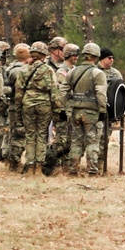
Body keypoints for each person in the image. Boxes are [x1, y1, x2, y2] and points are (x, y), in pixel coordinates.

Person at [15, 41, 63, 174]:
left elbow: (18, 92)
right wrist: (57, 111)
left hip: (28, 104)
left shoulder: (24, 70)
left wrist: (18, 110)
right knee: (42, 135)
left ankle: (30, 166)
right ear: (44, 55)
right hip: (44, 105)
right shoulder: (49, 70)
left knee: (30, 135)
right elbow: (54, 92)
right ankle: (39, 166)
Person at [64, 43, 108, 175]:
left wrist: (64, 108)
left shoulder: (72, 71)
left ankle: (73, 169)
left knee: (76, 141)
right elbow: (100, 94)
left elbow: (63, 91)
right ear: (96, 56)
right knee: (92, 141)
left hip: (76, 112)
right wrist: (103, 110)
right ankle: (93, 170)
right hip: (92, 113)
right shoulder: (98, 73)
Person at [46, 43, 81, 172]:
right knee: (61, 139)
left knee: (71, 140)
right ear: (67, 55)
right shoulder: (62, 71)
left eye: (77, 55)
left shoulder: (75, 70)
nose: (76, 57)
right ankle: (50, 161)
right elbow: (62, 91)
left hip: (73, 110)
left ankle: (66, 165)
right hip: (63, 110)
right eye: (73, 55)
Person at [2, 43, 31, 169]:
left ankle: (11, 160)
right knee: (19, 135)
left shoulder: (11, 68)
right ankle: (14, 163)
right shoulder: (19, 70)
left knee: (14, 134)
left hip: (14, 106)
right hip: (18, 107)